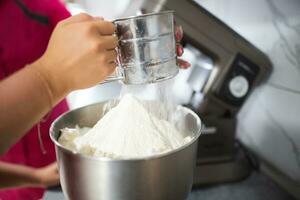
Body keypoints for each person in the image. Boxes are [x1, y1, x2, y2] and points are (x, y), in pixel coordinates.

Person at [0, 1, 189, 200]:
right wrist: (49, 78)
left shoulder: (40, 8)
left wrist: (141, 49)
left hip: (67, 164)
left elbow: (94, 52)